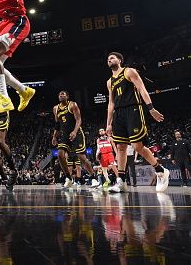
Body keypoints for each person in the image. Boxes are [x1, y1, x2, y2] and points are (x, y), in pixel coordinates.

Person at [105, 52, 169, 193]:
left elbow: (141, 89)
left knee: (137, 146)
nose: (110, 60)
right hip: (119, 114)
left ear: (120, 60)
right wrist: (108, 124)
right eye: (108, 59)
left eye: (112, 58)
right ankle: (121, 181)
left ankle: (160, 170)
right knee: (121, 147)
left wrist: (151, 108)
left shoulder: (129, 72)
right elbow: (111, 103)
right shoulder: (110, 82)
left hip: (133, 109)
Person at [51, 91, 99, 188]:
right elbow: (57, 125)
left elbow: (79, 120)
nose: (61, 95)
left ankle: (94, 178)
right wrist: (54, 136)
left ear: (67, 96)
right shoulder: (55, 109)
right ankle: (68, 178)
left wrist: (74, 131)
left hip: (77, 133)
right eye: (59, 94)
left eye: (63, 94)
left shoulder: (73, 105)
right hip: (65, 135)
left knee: (82, 157)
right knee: (60, 154)